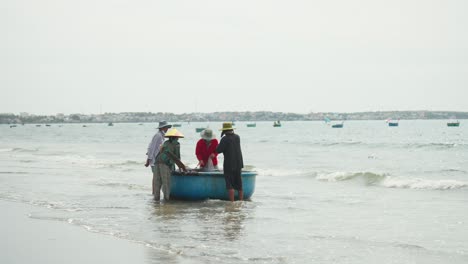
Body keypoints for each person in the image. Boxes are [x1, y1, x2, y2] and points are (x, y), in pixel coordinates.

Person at [153, 128, 184, 201]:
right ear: (176, 137)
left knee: (157, 182)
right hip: (165, 164)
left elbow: (160, 152)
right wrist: (181, 167)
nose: (178, 139)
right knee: (166, 183)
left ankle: (156, 200)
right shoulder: (176, 144)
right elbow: (177, 157)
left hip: (157, 162)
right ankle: (166, 201)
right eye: (177, 138)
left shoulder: (165, 143)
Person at [216, 122, 244, 202]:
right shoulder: (237, 137)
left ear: (224, 131)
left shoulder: (225, 139)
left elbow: (218, 150)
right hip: (239, 163)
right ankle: (241, 202)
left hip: (229, 164)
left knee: (230, 185)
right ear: (232, 129)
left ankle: (232, 203)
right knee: (239, 184)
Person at [145, 121, 172, 198]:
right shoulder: (158, 136)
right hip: (154, 160)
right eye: (166, 127)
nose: (167, 129)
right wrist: (148, 160)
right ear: (162, 128)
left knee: (157, 178)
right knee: (156, 178)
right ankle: (154, 193)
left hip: (159, 160)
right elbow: (151, 148)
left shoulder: (162, 136)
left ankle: (155, 193)